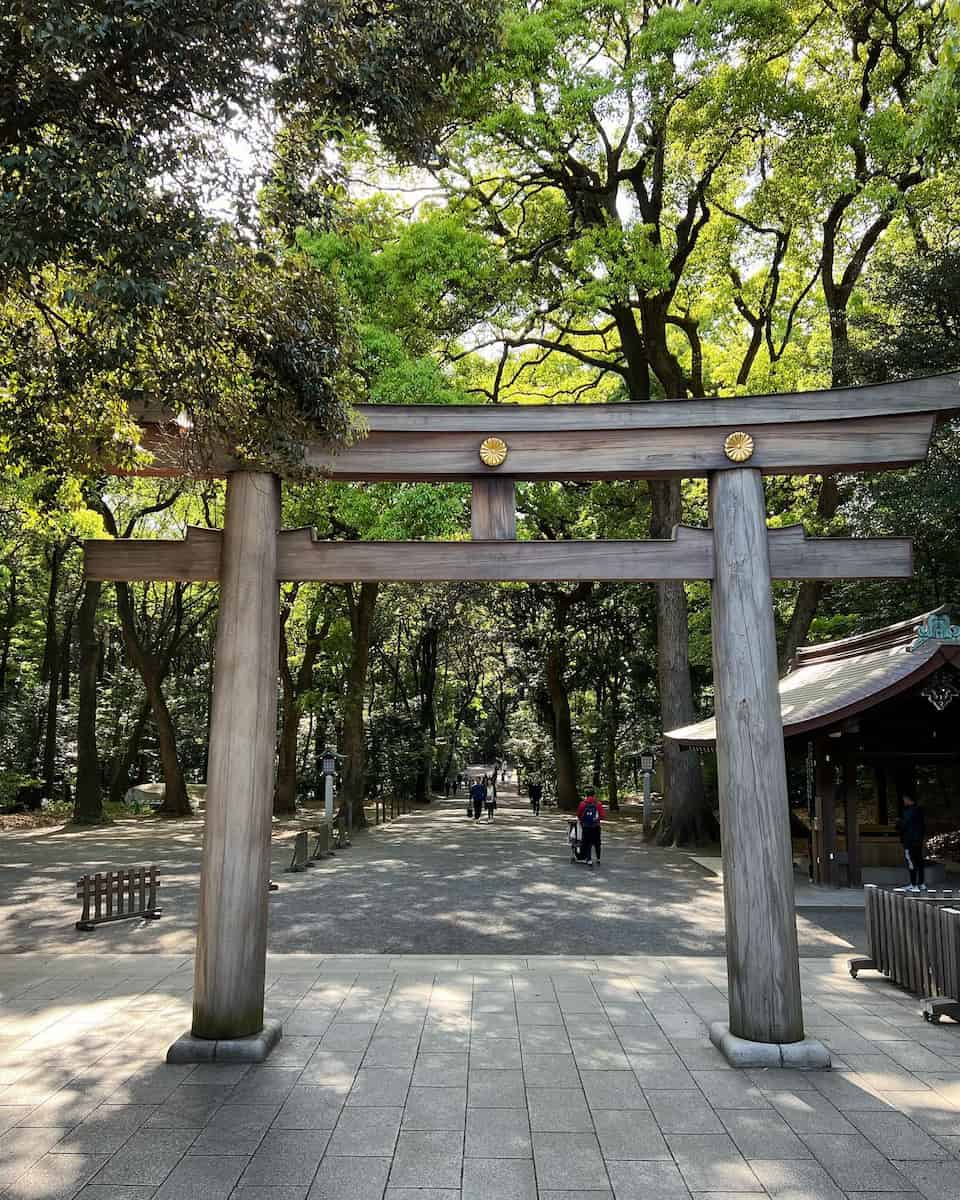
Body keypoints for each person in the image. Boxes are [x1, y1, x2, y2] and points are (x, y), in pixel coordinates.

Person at [897, 794, 926, 892]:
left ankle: (913, 885)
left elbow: (903, 825)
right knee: (919, 861)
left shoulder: (908, 812)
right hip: (918, 840)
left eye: (904, 799)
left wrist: (898, 823)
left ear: (909, 800)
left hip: (909, 840)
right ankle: (921, 883)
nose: (904, 801)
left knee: (911, 861)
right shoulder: (919, 811)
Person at [576, 791, 606, 867]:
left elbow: (578, 814)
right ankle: (598, 858)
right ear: (594, 795)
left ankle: (589, 860)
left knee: (587, 843)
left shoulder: (582, 804)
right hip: (596, 826)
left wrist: (583, 821)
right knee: (597, 843)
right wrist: (596, 819)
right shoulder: (598, 804)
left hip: (586, 827)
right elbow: (602, 816)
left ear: (586, 795)